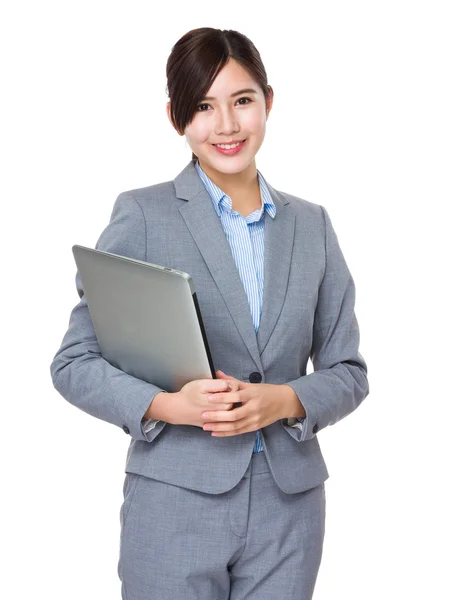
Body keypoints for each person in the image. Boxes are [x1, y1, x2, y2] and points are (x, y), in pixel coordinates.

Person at [50, 27, 369, 600]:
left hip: (289, 509)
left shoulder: (312, 226)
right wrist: (169, 406)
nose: (225, 125)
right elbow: (74, 362)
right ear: (176, 116)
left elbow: (349, 371)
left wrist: (286, 400)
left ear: (268, 102)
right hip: (175, 500)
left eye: (242, 101)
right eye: (203, 106)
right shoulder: (143, 215)